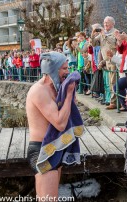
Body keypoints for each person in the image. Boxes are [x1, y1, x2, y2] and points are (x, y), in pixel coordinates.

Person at [26, 52, 75, 198]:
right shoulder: (39, 90)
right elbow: (60, 123)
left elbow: (69, 113)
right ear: (53, 69)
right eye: (64, 69)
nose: (68, 72)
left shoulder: (56, 88)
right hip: (42, 150)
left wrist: (69, 94)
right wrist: (69, 95)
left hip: (55, 147)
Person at [91, 16, 118, 109]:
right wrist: (93, 34)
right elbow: (94, 44)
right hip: (105, 61)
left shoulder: (115, 32)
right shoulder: (102, 34)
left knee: (113, 82)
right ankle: (111, 100)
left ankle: (114, 102)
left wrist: (105, 35)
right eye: (104, 22)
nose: (105, 24)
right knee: (108, 83)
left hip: (113, 60)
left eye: (107, 22)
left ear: (112, 23)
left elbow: (114, 44)